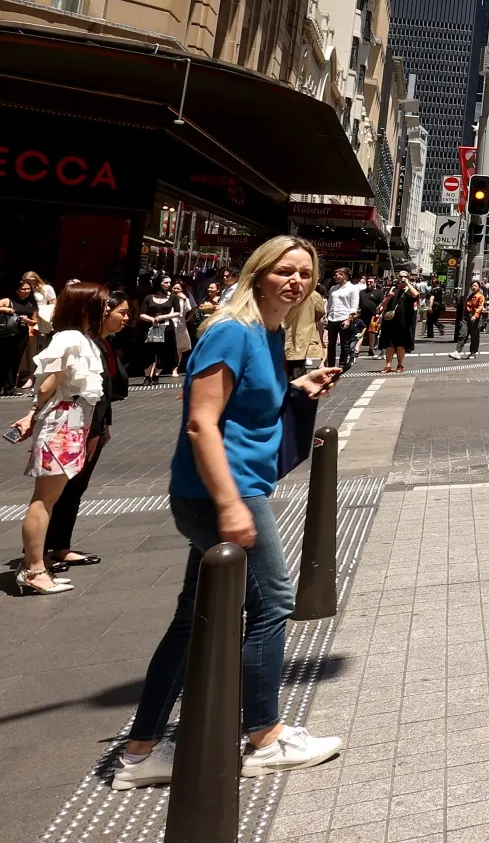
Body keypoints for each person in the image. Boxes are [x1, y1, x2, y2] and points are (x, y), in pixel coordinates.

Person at [112, 236, 345, 789]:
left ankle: (141, 752)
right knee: (273, 604)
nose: (296, 281)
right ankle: (264, 737)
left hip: (231, 488)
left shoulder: (266, 333)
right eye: (284, 271)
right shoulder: (230, 331)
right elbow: (200, 422)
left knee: (195, 618)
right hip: (225, 492)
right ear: (257, 274)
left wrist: (296, 388)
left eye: (305, 274)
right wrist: (228, 506)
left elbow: (245, 405)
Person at [12, 283, 113, 595]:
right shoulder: (69, 338)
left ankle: (36, 567)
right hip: (62, 422)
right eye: (103, 304)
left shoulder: (81, 338)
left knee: (50, 498)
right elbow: (46, 384)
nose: (107, 310)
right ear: (85, 308)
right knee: (44, 498)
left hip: (72, 422)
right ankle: (33, 569)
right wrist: (32, 413)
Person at [43, 289, 129, 576]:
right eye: (121, 311)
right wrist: (94, 431)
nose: (124, 317)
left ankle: (59, 545)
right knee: (58, 490)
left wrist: (102, 428)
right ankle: (42, 552)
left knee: (75, 489)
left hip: (93, 426)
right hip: (77, 425)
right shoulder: (80, 342)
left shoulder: (101, 343)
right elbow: (89, 392)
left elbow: (104, 393)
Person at [136, 279, 178, 387]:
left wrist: (163, 317)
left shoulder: (173, 297)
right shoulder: (149, 297)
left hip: (166, 327)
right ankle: (147, 376)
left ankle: (156, 375)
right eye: (165, 282)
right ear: (159, 283)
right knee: (148, 352)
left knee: (163, 352)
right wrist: (152, 319)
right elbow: (141, 314)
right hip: (151, 327)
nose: (168, 285)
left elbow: (177, 312)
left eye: (169, 282)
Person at [377, 271, 419, 373]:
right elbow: (383, 306)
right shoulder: (393, 289)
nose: (403, 278)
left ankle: (400, 365)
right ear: (398, 278)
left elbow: (416, 295)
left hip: (404, 321)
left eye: (405, 277)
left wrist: (408, 283)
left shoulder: (410, 290)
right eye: (401, 276)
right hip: (390, 321)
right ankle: (388, 365)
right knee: (389, 344)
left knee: (401, 344)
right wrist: (388, 297)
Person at [285, 284, 327, 381]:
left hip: (282, 335)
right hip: (304, 335)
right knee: (299, 369)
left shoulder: (280, 293)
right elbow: (320, 311)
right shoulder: (313, 295)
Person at [452, 280, 488, 359]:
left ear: (479, 287)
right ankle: (457, 351)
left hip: (475, 318)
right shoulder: (470, 296)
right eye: (472, 286)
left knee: (474, 336)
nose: (473, 287)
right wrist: (464, 316)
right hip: (467, 317)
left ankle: (473, 352)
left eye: (475, 286)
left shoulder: (480, 296)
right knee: (463, 333)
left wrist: (475, 316)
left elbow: (480, 307)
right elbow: (466, 307)